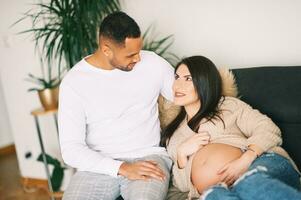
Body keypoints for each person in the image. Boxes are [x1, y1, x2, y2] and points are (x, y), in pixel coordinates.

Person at [58, 12, 175, 200]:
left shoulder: (152, 63)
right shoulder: (74, 83)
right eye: (130, 54)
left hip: (148, 158)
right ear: (106, 50)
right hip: (96, 167)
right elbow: (71, 149)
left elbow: (185, 94)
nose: (138, 58)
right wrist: (121, 168)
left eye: (139, 50)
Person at [161, 56, 301, 200]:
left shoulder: (227, 106)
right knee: (216, 196)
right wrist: (181, 155)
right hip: (217, 191)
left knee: (251, 184)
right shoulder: (173, 133)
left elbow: (268, 128)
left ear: (204, 82)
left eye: (188, 78)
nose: (177, 85)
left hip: (256, 165)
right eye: (177, 77)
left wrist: (246, 159)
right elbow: (182, 186)